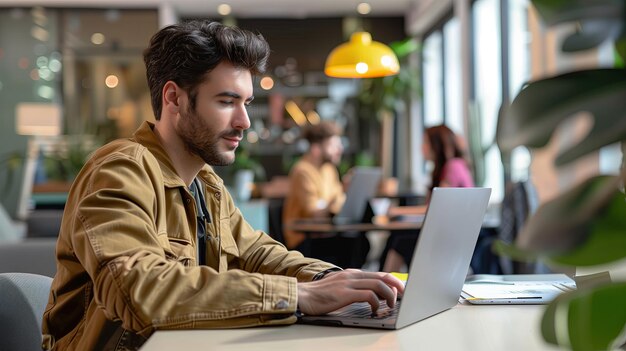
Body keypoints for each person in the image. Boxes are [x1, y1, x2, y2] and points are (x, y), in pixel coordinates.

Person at [41, 20, 403, 351]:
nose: (244, 121)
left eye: (246, 103)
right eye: (227, 101)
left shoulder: (206, 183)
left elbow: (259, 254)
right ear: (174, 98)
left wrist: (338, 280)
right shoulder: (120, 169)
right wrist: (298, 295)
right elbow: (137, 291)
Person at [382, 124, 474, 272]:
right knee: (399, 238)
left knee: (399, 241)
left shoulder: (452, 167)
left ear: (436, 145)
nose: (421, 148)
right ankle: (384, 285)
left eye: (425, 142)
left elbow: (436, 208)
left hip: (450, 242)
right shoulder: (454, 166)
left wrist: (397, 211)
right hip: (450, 236)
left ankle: (383, 287)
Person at [282, 121, 370, 268]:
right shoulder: (302, 171)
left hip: (326, 234)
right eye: (333, 145)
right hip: (303, 241)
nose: (339, 149)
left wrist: (347, 193)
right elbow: (315, 213)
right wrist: (339, 198)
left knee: (360, 242)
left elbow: (338, 201)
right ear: (316, 149)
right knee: (353, 245)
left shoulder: (329, 170)